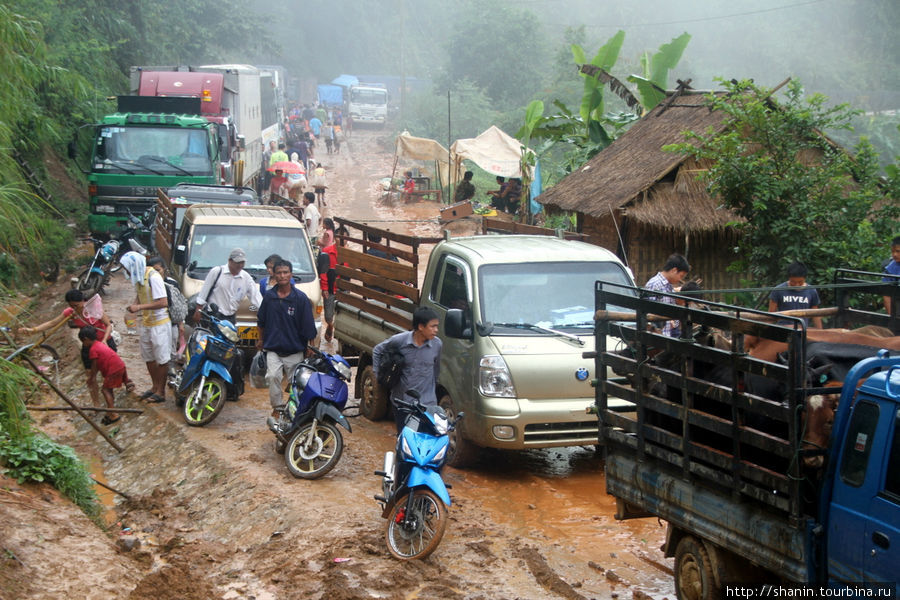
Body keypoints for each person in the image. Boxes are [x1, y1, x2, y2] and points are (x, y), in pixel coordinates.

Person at [19, 289, 134, 406]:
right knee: (90, 376)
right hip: (88, 346)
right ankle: (96, 404)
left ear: (83, 301)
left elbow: (108, 324)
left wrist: (104, 339)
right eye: (72, 306)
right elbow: (52, 323)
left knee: (113, 367)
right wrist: (33, 330)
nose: (75, 308)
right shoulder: (70, 313)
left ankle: (126, 381)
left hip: (105, 343)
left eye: (77, 305)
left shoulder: (93, 308)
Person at [256, 260, 317, 416]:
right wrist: (260, 340)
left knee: (296, 383)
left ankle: (293, 409)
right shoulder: (269, 297)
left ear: (291, 274)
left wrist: (310, 346)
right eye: (279, 273)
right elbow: (261, 321)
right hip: (273, 348)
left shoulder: (300, 299)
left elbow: (309, 325)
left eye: (285, 272)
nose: (282, 276)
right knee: (273, 376)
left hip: (294, 349)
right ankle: (277, 408)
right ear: (274, 275)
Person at [373, 307, 443, 433]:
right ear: (421, 327)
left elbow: (436, 370)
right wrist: (378, 375)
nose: (436, 330)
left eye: (437, 326)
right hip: (402, 404)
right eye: (432, 326)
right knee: (405, 439)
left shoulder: (437, 345)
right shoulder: (399, 341)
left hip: (427, 404)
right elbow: (377, 351)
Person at [121, 251, 171, 403]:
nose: (127, 271)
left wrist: (140, 307)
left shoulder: (153, 277)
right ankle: (154, 386)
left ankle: (161, 391)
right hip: (146, 323)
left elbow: (163, 302)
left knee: (162, 358)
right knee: (148, 357)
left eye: (127, 268)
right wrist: (133, 308)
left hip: (160, 324)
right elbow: (139, 295)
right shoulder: (138, 278)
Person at [194, 248, 263, 325]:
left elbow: (256, 298)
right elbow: (204, 292)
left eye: (242, 262)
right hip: (213, 316)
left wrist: (265, 313)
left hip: (230, 318)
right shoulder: (217, 272)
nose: (240, 265)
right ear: (230, 261)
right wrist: (198, 310)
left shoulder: (246, 278)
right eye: (238, 262)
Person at [78, 326, 128, 425]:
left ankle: (113, 414)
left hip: (114, 369)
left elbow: (94, 365)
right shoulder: (100, 344)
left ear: (86, 339)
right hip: (120, 366)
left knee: (105, 390)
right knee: (109, 389)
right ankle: (110, 410)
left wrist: (92, 377)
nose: (83, 344)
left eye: (83, 342)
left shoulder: (93, 350)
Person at [644, 253, 691, 337]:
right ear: (674, 270)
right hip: (657, 338)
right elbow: (648, 314)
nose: (681, 279)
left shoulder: (670, 287)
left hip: (667, 336)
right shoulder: (655, 284)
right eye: (681, 276)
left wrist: (674, 323)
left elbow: (673, 312)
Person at [148, 257, 185, 358]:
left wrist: (181, 324)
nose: (155, 274)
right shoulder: (148, 285)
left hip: (172, 323)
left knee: (171, 350)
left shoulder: (172, 284)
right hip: (155, 323)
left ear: (164, 269)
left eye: (158, 270)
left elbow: (179, 305)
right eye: (153, 271)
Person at [769, 261, 823, 328]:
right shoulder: (778, 290)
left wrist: (820, 331)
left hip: (802, 331)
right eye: (793, 282)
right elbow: (770, 315)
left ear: (805, 278)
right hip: (782, 330)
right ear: (789, 278)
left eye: (800, 282)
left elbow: (815, 315)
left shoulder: (811, 291)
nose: (796, 285)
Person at [318, 235, 338, 342]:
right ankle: (330, 325)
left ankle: (335, 331)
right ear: (336, 238)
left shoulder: (350, 255)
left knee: (341, 314)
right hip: (330, 287)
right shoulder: (326, 251)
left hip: (343, 289)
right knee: (328, 315)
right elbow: (323, 271)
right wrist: (324, 288)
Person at [882, 236, 900, 314]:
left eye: (898, 251)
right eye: (892, 251)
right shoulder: (889, 269)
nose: (895, 254)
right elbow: (886, 295)